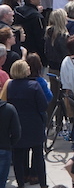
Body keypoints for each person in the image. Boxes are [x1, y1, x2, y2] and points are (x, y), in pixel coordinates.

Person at [8, 59, 49, 188]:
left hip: (17, 124)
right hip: (34, 124)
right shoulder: (34, 86)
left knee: (18, 158)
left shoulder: (10, 86)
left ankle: (21, 183)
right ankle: (43, 183)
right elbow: (43, 106)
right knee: (38, 157)